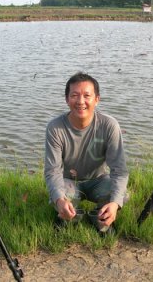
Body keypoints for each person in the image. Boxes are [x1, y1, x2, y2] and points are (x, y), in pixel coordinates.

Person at [44, 72, 129, 234]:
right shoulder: (55, 128)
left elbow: (120, 170)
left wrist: (115, 204)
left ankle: (101, 217)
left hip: (98, 180)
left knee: (120, 194)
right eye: (74, 95)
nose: (81, 101)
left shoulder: (109, 125)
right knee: (61, 195)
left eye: (87, 95)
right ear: (67, 99)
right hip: (69, 181)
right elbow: (52, 171)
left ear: (97, 99)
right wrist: (60, 200)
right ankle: (67, 216)